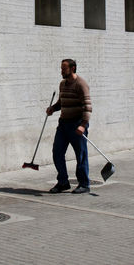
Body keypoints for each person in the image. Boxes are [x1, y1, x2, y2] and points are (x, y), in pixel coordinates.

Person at [46, 59, 92, 194]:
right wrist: (53, 108)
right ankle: (63, 182)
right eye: (61, 68)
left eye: (64, 69)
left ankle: (84, 184)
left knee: (81, 155)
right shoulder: (62, 84)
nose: (61, 71)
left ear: (72, 68)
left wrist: (83, 125)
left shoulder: (81, 84)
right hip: (63, 124)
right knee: (57, 152)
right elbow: (62, 102)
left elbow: (88, 107)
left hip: (77, 124)